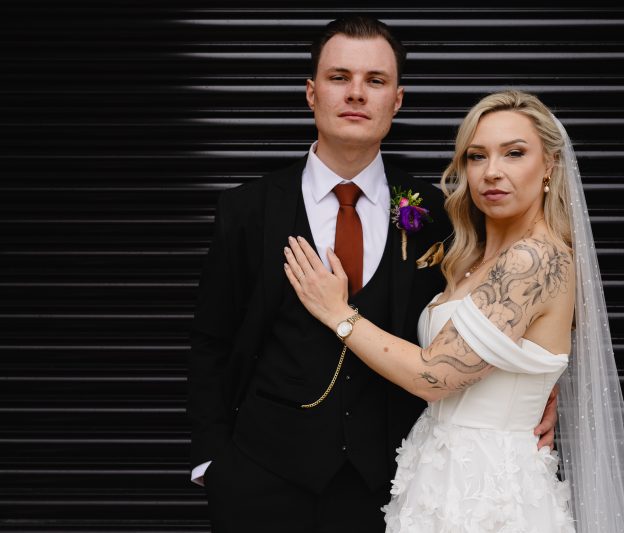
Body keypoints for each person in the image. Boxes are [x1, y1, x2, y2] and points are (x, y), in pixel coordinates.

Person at [187, 17, 559, 532]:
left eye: (376, 81)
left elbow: (504, 314)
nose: (357, 93)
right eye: (340, 77)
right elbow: (211, 343)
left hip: (389, 486)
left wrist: (539, 391)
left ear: (397, 100)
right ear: (311, 93)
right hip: (261, 482)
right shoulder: (246, 210)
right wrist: (215, 466)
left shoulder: (442, 212)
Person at [285, 90, 624, 532]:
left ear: (550, 164)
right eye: (477, 157)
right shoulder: (468, 257)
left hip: (492, 492)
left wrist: (338, 313)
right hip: (437, 473)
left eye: (514, 153)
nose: (492, 172)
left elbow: (433, 376)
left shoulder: (535, 259)